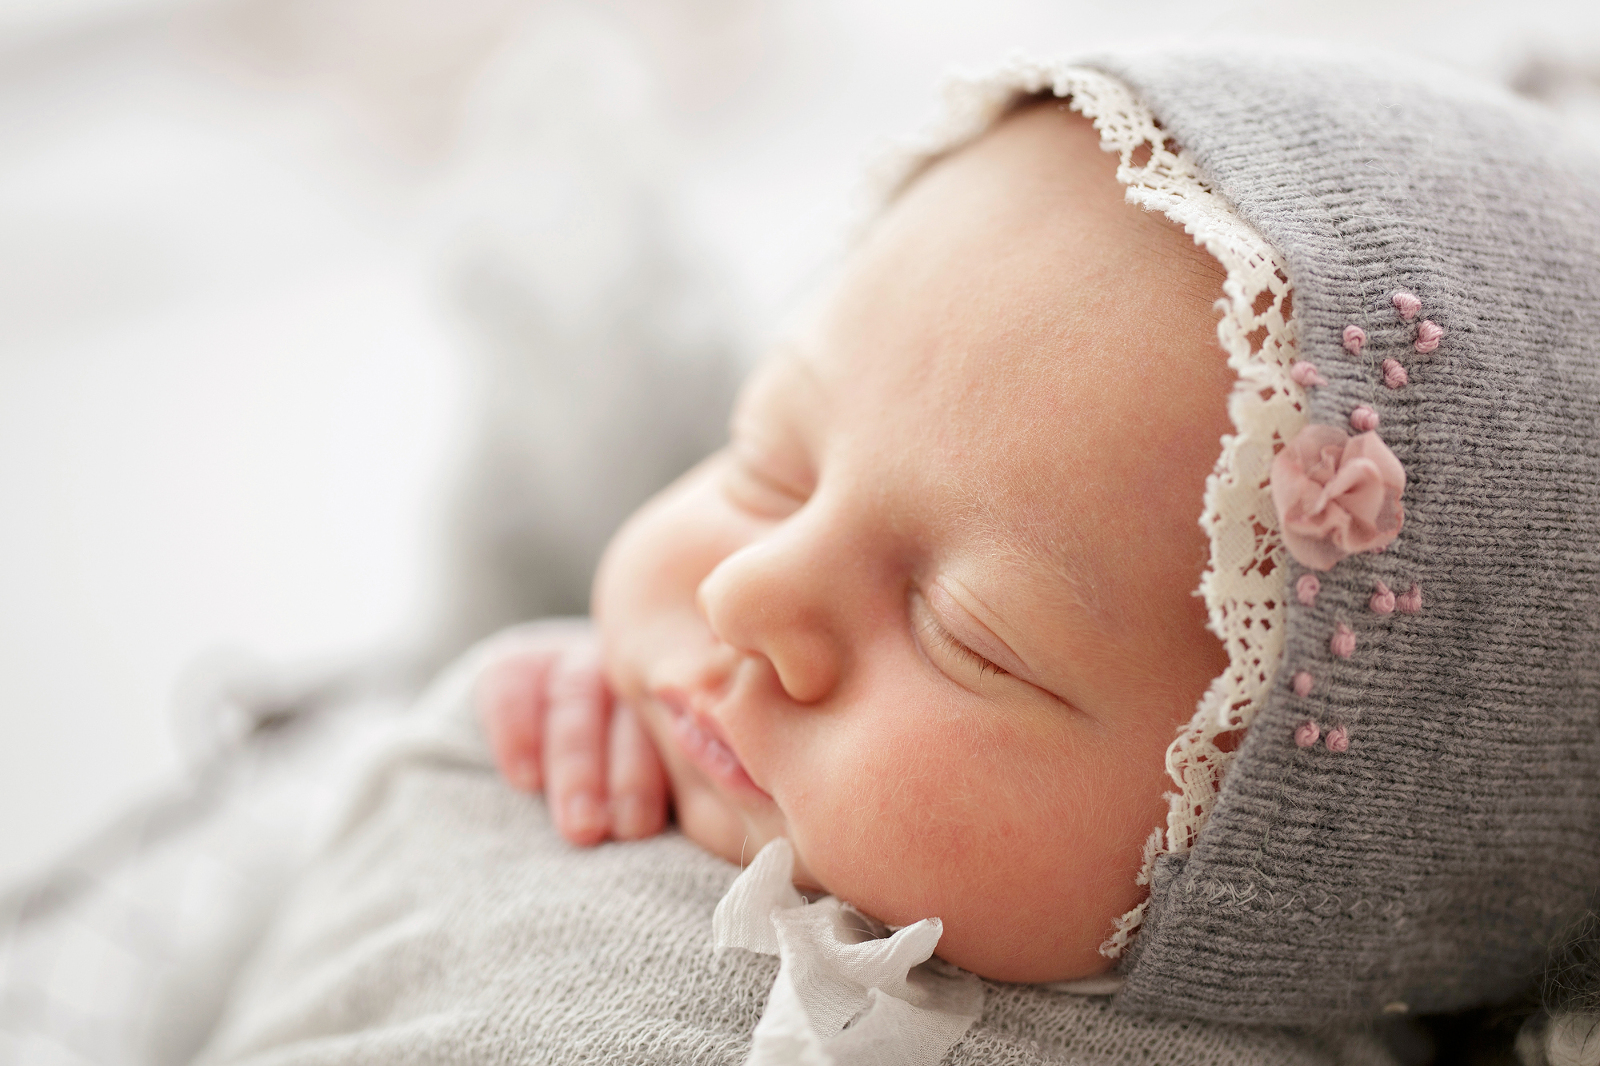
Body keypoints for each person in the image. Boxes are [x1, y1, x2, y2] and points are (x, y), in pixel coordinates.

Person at [196, 46, 1600, 1066]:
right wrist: (493, 718)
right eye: (766, 461)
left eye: (969, 632)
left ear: (1292, 886)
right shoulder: (576, 751)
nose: (746, 591)